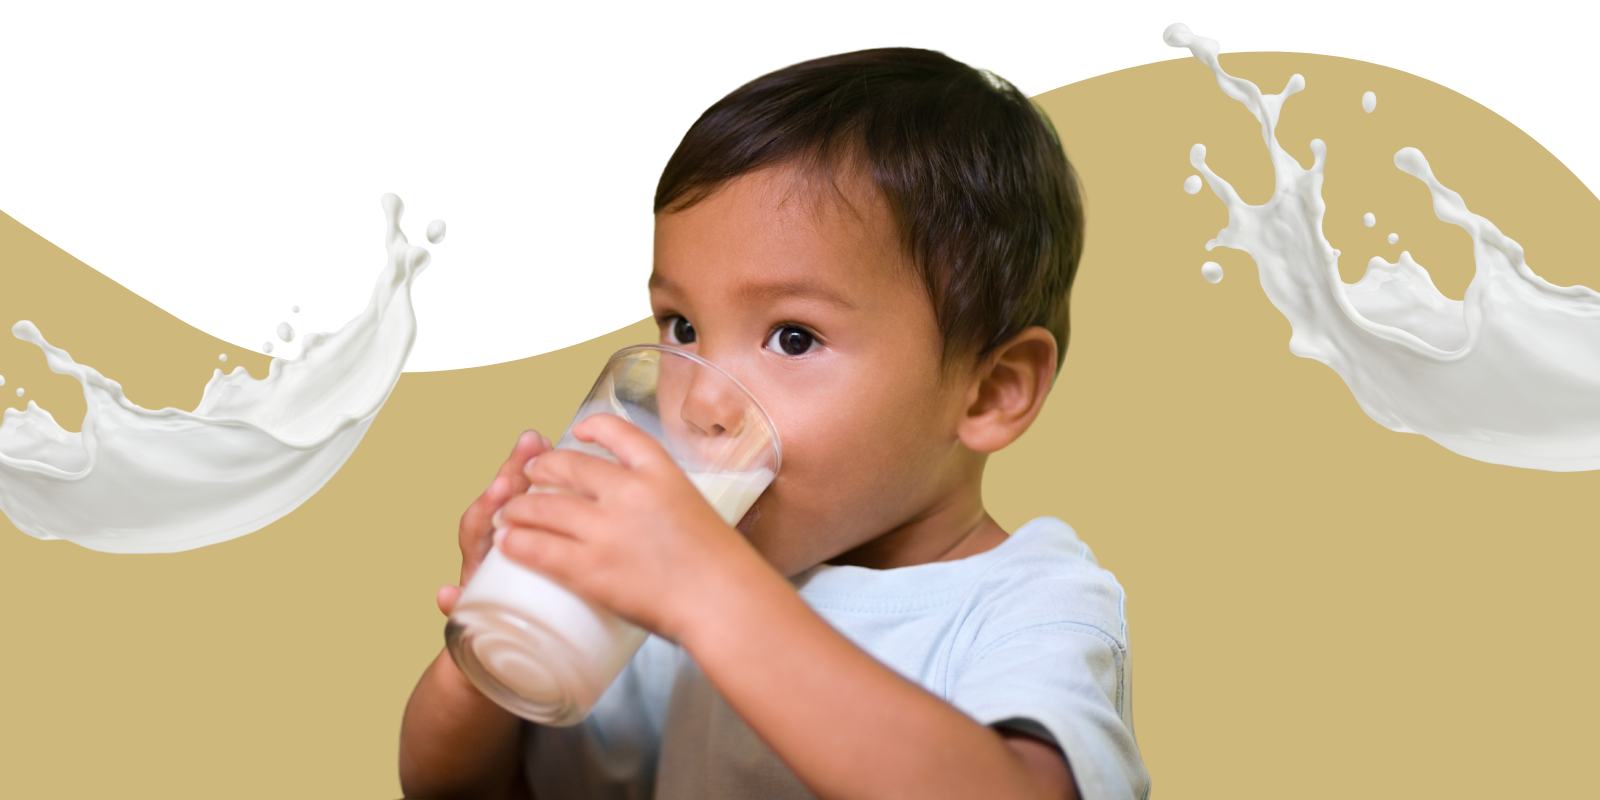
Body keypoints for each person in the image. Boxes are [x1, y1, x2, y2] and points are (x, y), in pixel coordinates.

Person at [399, 47, 1149, 800]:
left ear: (990, 393)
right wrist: (495, 643)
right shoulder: (667, 585)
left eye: (793, 336)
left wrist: (709, 596)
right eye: (682, 327)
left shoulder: (1028, 605)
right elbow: (463, 790)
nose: (700, 402)